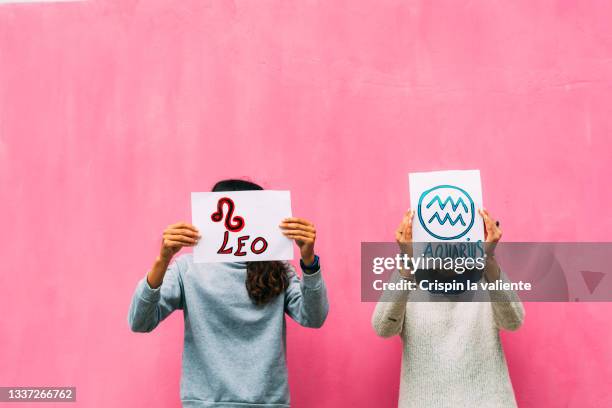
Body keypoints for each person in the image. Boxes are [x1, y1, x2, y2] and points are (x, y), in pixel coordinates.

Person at [128, 179, 329, 408]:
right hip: (205, 404)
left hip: (267, 403)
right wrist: (162, 260)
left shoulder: (279, 269)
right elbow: (140, 321)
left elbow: (314, 317)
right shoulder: (188, 269)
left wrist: (309, 261)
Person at [372, 208, 524, 408]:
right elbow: (383, 328)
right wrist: (407, 264)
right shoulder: (410, 279)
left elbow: (513, 321)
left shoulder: (486, 276)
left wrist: (489, 260)